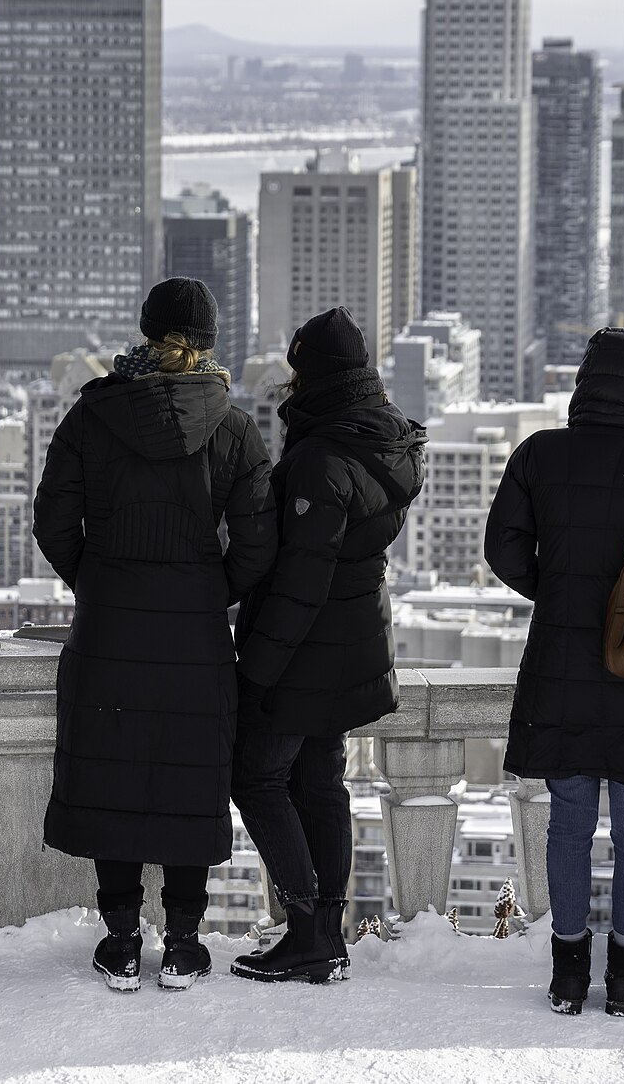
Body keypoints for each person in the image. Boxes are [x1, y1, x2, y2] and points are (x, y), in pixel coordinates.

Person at [34, 278, 276, 993]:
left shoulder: (90, 415)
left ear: (144, 332)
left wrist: (99, 582)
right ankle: (182, 940)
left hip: (108, 628)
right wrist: (207, 591)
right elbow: (259, 543)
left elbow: (52, 524)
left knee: (112, 770)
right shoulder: (233, 426)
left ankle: (118, 939)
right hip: (196, 635)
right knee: (185, 773)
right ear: (207, 342)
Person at [485, 328, 624, 1017]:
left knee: (568, 822)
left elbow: (503, 549)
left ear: (585, 383)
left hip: (560, 664)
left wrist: (556, 590)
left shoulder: (538, 454)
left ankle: (566, 973)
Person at [230, 307, 426, 984]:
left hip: (307, 651)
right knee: (320, 781)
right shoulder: (386, 438)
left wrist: (254, 670)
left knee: (255, 777)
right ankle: (328, 935)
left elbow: (300, 584)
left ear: (313, 375)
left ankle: (309, 929)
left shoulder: (320, 457)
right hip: (355, 641)